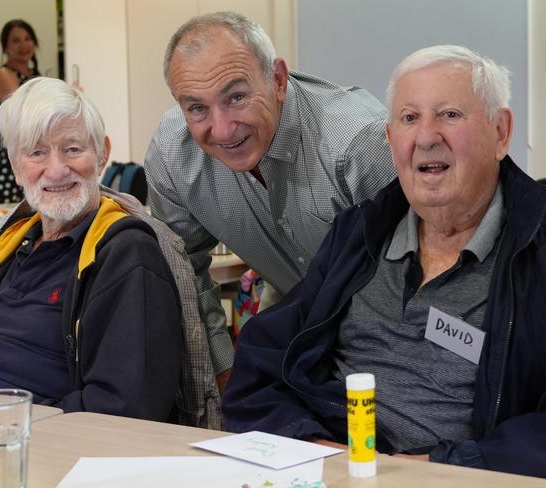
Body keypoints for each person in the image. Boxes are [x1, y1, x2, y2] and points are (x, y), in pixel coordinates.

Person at [222, 45, 546, 481]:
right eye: (409, 118)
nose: (426, 137)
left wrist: (441, 467)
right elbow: (261, 367)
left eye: (449, 115)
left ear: (501, 132)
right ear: (390, 141)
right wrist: (312, 447)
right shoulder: (359, 234)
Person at [145, 11, 397, 389]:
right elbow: (184, 274)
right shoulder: (172, 153)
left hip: (390, 332)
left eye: (237, 97)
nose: (223, 129)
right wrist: (226, 373)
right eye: (197, 108)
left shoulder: (358, 143)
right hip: (291, 318)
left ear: (278, 79)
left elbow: (431, 274)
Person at [0, 77, 182, 421]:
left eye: (73, 148)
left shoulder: (126, 253)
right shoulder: (2, 247)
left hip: (31, 442)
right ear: (17, 167)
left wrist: (8, 421)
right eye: (37, 152)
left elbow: (125, 408)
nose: (57, 169)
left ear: (103, 152)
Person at [0, 19, 40, 204]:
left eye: (27, 38)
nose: (23, 45)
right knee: (8, 225)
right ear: (5, 47)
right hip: (5, 161)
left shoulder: (37, 76)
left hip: (34, 156)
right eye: (16, 40)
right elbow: (25, 111)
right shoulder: (3, 74)